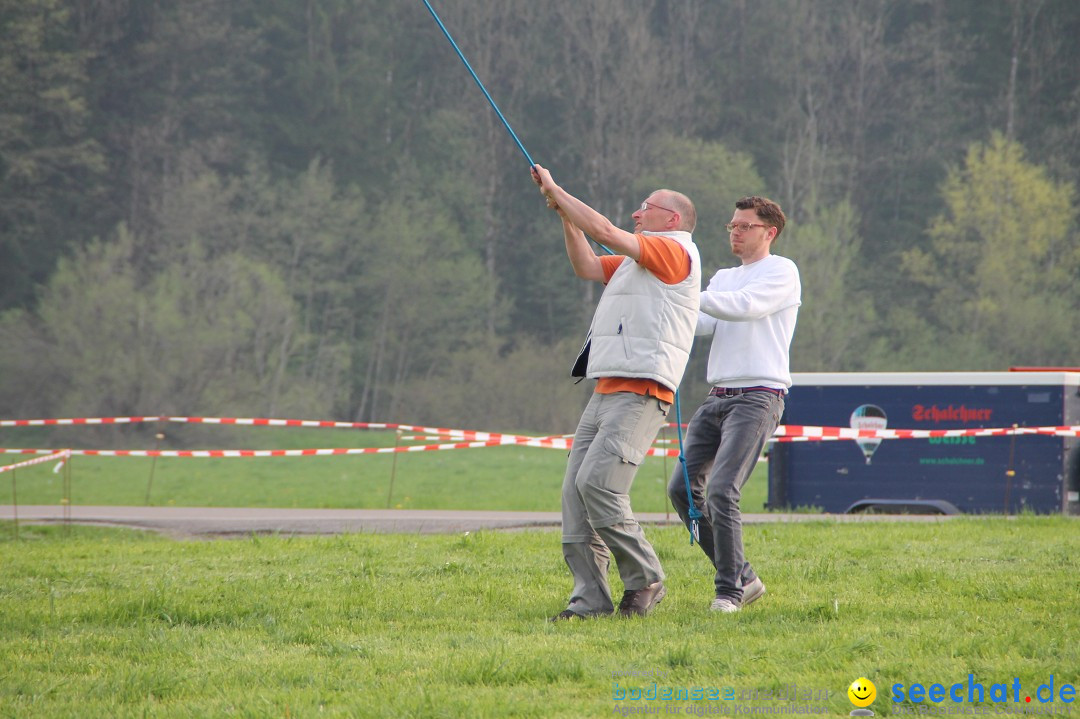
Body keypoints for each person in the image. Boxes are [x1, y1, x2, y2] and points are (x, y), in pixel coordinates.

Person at [531, 164, 701, 620]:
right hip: (605, 389)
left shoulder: (672, 252)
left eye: (645, 207)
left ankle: (645, 579)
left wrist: (557, 189)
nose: (635, 212)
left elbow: (603, 229)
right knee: (575, 495)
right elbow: (586, 264)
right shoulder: (635, 262)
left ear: (672, 219)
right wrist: (566, 216)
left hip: (642, 391)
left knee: (598, 485)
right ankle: (589, 602)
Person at [667, 195, 801, 614]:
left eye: (744, 226)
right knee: (681, 490)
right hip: (717, 396)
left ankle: (729, 592)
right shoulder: (723, 277)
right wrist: (664, 300)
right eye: (732, 226)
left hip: (759, 396)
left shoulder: (782, 271)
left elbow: (747, 308)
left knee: (723, 490)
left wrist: (685, 289)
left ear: (769, 232)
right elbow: (703, 323)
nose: (735, 233)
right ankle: (744, 576)